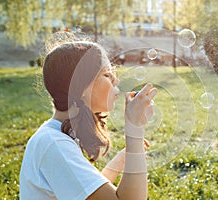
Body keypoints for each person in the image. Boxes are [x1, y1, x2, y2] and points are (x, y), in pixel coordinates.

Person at [19, 41, 157, 200]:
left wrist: (119, 162)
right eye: (107, 74)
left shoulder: (54, 137)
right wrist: (134, 128)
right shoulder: (54, 144)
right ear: (81, 86)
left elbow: (91, 193)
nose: (116, 80)